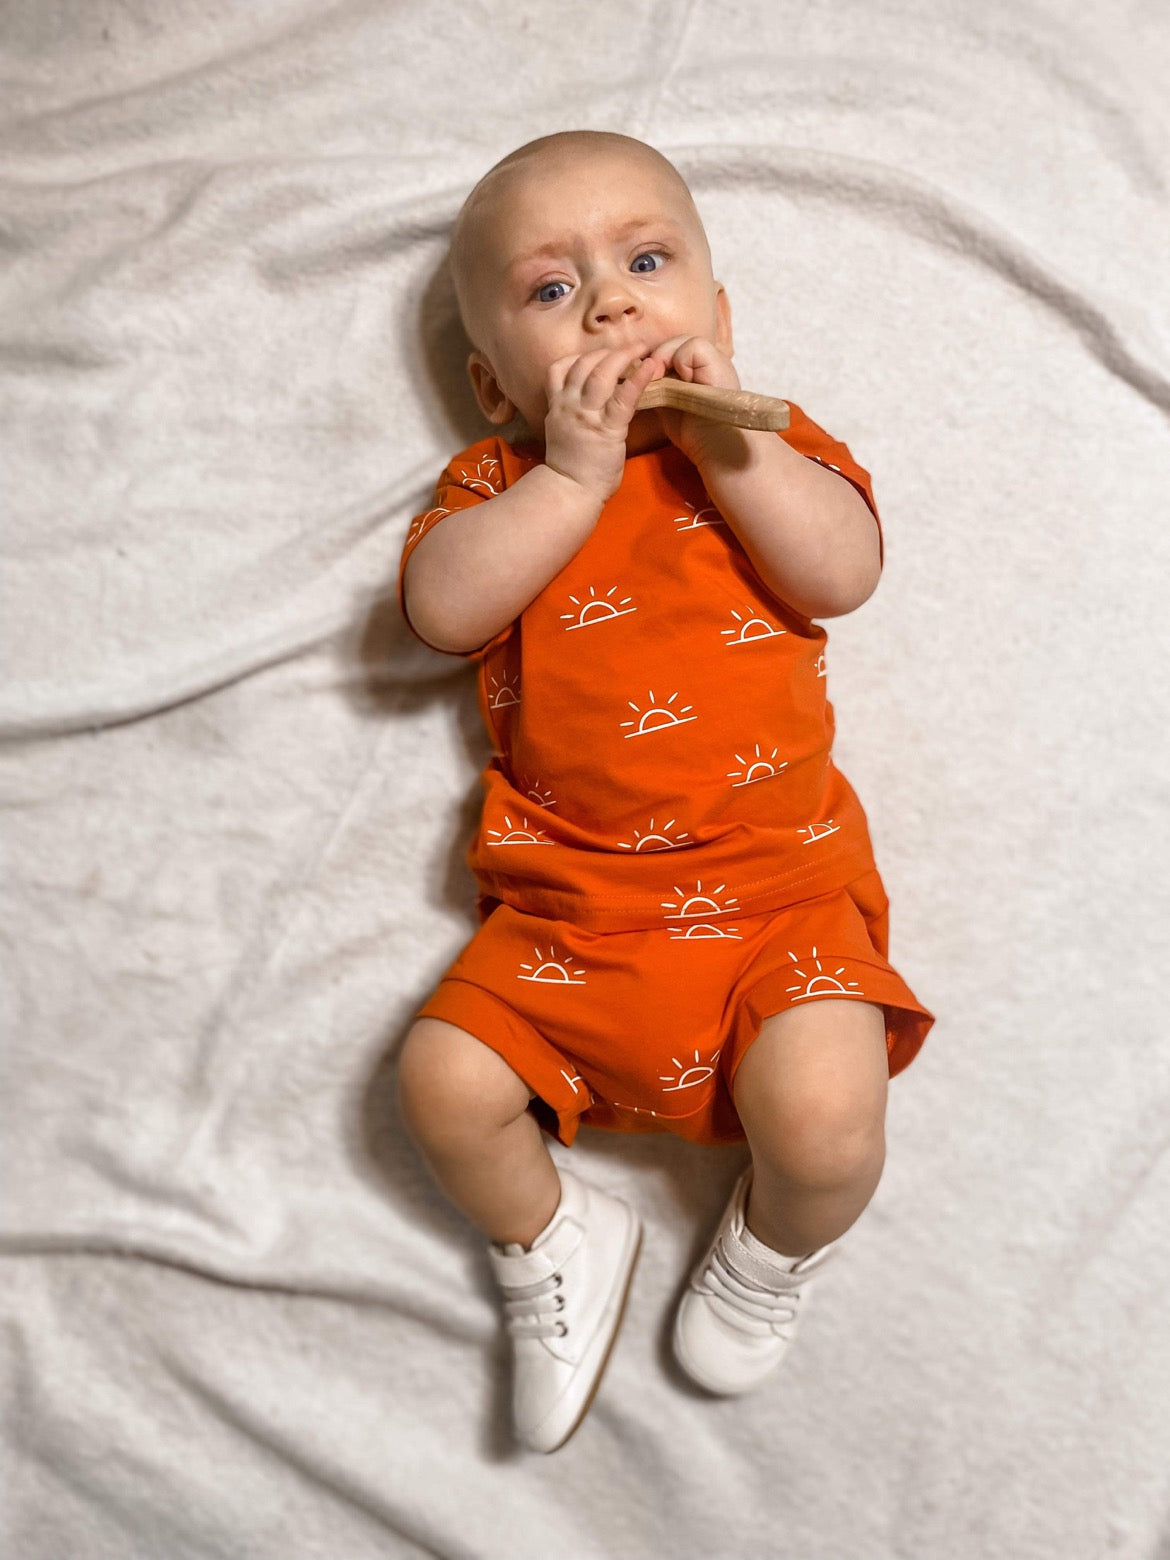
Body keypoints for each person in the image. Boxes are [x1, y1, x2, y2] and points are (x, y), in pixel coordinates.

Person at [395, 129, 934, 1453]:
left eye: (646, 261)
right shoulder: (502, 481)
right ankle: (551, 1234)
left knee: (825, 1130)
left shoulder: (767, 452)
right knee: (438, 1088)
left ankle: (766, 1249)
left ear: (718, 315)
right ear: (494, 386)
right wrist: (573, 475)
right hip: (569, 913)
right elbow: (437, 612)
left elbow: (841, 572)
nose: (611, 302)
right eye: (549, 289)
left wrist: (738, 447)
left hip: (773, 897)